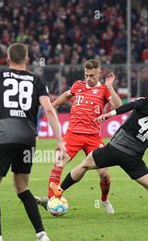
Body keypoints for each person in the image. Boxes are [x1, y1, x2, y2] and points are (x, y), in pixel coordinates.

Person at [0, 43, 65, 241]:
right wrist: (59, 140)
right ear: (28, 60)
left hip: (5, 135)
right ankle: (42, 235)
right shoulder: (37, 80)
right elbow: (49, 110)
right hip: (27, 138)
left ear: (7, 60)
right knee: (22, 188)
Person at [50, 85, 148, 221]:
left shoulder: (145, 102)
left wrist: (108, 115)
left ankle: (60, 189)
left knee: (85, 165)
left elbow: (127, 107)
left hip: (115, 149)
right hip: (134, 159)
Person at [37, 59, 122, 214]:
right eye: (86, 75)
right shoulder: (78, 85)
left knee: (104, 174)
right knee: (58, 163)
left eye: (92, 76)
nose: (88, 78)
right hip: (73, 134)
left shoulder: (104, 90)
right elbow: (66, 95)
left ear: (99, 74)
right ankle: (51, 201)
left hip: (93, 137)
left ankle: (104, 199)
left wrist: (110, 86)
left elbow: (119, 106)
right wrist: (51, 105)